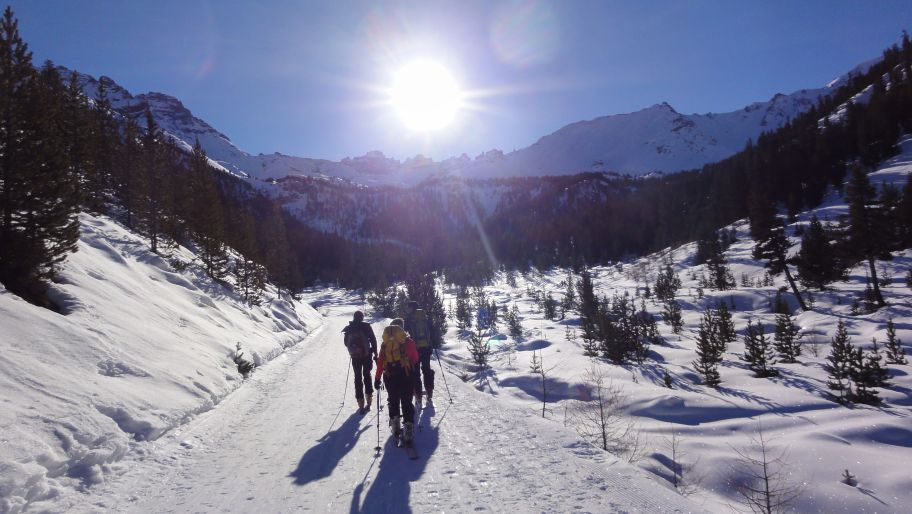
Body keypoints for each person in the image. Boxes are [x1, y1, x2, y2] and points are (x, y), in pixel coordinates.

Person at [374, 318, 419, 445]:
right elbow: (415, 358)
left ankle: (395, 425)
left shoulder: (385, 344)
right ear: (401, 328)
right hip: (406, 374)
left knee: (393, 400)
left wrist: (377, 379)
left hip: (389, 376)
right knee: (406, 401)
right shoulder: (408, 341)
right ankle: (408, 429)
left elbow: (380, 363)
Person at [342, 311, 377, 412]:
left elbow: (345, 343)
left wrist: (354, 348)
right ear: (362, 317)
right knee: (367, 375)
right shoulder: (366, 327)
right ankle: (369, 400)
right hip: (367, 355)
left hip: (355, 357)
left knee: (357, 377)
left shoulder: (349, 328)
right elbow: (373, 340)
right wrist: (375, 353)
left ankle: (360, 402)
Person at [404, 300, 435, 407]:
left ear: (412, 308)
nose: (406, 309)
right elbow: (432, 331)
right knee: (427, 370)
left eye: (408, 307)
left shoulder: (408, 320)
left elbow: (405, 337)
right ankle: (429, 394)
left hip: (414, 351)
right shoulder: (425, 318)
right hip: (426, 348)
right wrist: (431, 345)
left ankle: (418, 397)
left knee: (416, 374)